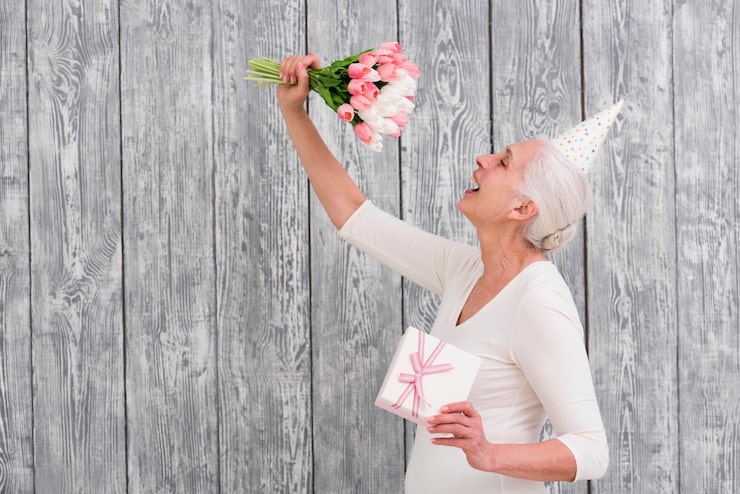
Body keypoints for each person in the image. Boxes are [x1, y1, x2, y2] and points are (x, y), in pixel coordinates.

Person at [276, 53, 609, 493]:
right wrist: (294, 112)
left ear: (523, 208)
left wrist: (489, 453)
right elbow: (356, 218)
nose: (484, 158)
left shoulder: (539, 301)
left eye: (504, 162)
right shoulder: (466, 270)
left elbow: (591, 450)